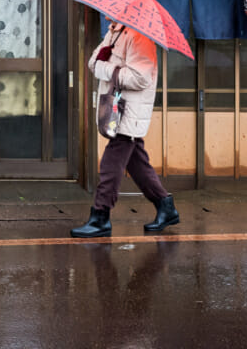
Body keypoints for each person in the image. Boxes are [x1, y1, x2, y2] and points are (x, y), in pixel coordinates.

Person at [71, 20, 179, 238]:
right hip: (117, 109)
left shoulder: (140, 37)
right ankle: (165, 207)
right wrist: (105, 65)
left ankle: (100, 216)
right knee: (137, 163)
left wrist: (107, 67)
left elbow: (140, 78)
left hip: (129, 112)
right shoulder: (114, 32)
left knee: (110, 164)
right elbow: (92, 62)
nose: (110, 14)